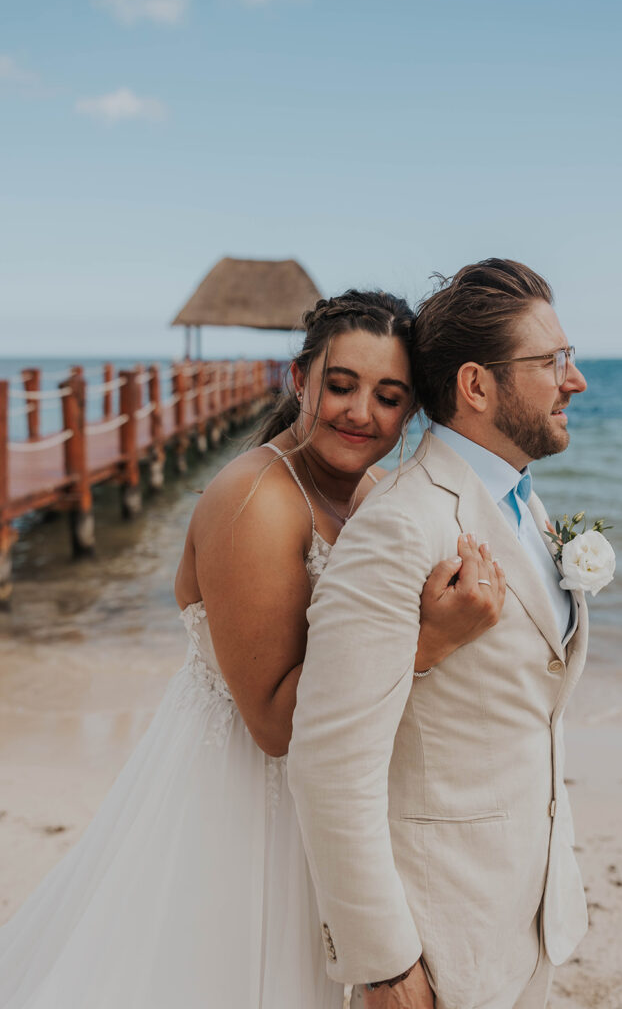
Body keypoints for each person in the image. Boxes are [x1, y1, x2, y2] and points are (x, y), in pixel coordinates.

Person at [0, 290, 505, 1009]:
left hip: (334, 796)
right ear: (298, 380)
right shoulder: (256, 501)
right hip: (242, 797)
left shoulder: (380, 492)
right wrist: (427, 642)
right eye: (340, 385)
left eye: (389, 397)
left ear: (412, 411)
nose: (361, 412)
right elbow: (271, 723)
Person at [288, 260, 590, 1009]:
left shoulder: (525, 503)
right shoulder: (397, 529)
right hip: (437, 938)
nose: (573, 379)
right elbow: (329, 766)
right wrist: (385, 965)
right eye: (551, 361)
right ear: (476, 386)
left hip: (525, 916)